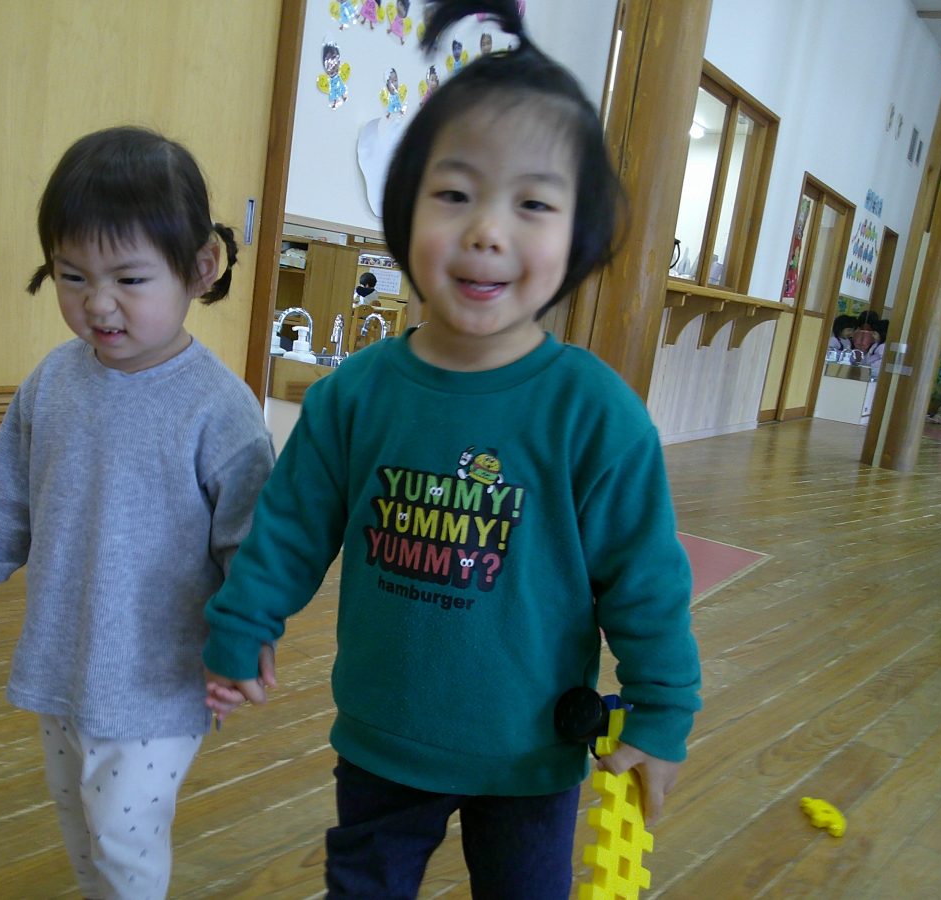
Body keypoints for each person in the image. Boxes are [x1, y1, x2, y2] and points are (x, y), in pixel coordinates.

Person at [201, 2, 701, 898]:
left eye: (533, 204)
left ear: (579, 235)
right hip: (383, 735)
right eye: (455, 194)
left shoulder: (596, 415)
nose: (487, 231)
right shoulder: (355, 395)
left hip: (531, 752)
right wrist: (242, 623)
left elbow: (646, 582)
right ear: (403, 209)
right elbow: (289, 528)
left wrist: (661, 712)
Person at [0, 126, 275, 899]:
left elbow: (253, 546)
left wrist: (246, 638)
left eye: (129, 278)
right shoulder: (52, 383)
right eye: (73, 276)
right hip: (64, 657)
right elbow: (7, 497)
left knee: (122, 830)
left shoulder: (219, 410)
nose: (98, 304)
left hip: (160, 679)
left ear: (200, 269)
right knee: (80, 820)